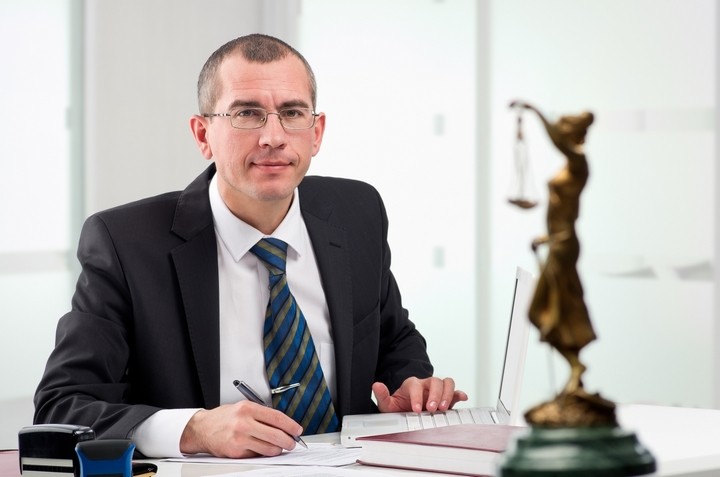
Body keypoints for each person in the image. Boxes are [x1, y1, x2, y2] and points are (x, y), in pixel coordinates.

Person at [33, 33, 468, 458]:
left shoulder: (358, 212)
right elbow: (62, 405)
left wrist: (410, 388)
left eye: (293, 113)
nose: (274, 137)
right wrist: (194, 429)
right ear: (203, 135)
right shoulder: (125, 242)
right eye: (247, 114)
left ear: (316, 132)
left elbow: (394, 342)